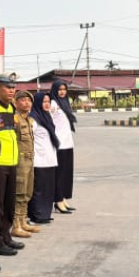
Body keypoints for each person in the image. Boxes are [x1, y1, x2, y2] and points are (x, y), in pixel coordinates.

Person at [0, 72, 25, 255]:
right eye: (8, 87)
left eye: (13, 87)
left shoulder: (11, 108)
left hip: (12, 161)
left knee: (9, 203)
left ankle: (6, 236)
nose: (11, 91)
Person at [28, 93, 59, 224]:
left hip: (50, 159)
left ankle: (45, 214)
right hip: (38, 160)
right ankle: (36, 215)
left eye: (48, 101)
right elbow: (28, 139)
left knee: (48, 189)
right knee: (38, 190)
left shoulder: (47, 117)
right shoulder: (33, 119)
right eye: (44, 102)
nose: (47, 104)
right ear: (38, 103)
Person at [13, 90, 40, 235]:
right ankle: (16, 224)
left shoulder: (29, 120)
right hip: (20, 160)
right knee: (19, 192)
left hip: (30, 159)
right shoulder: (14, 120)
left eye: (29, 100)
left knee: (28, 192)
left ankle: (23, 220)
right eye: (22, 100)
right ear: (15, 103)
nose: (26, 103)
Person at [50, 79, 77, 214]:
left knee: (67, 173)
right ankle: (58, 200)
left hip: (68, 143)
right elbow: (48, 121)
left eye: (64, 89)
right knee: (59, 174)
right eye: (59, 89)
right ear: (55, 90)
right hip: (59, 144)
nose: (62, 92)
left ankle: (64, 198)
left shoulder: (65, 102)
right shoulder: (53, 104)